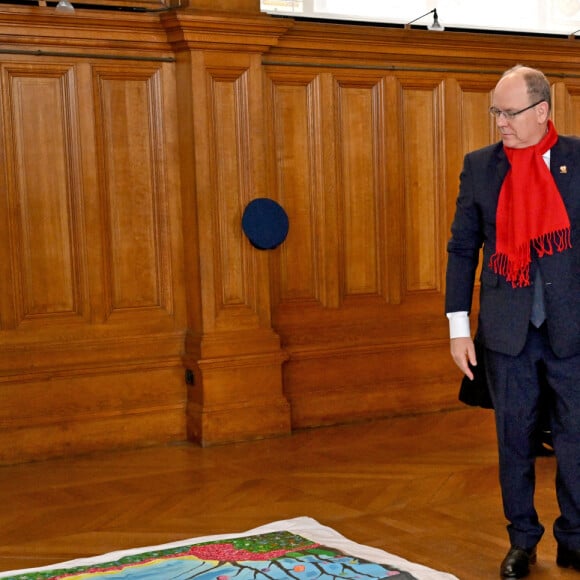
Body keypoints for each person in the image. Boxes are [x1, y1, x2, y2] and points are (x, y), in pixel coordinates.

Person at [446, 64, 580, 579]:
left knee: (575, 438)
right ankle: (522, 539)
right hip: (508, 331)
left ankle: (575, 538)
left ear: (542, 111)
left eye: (509, 112)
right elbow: (463, 248)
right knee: (514, 439)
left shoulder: (575, 160)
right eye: (495, 112)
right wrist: (459, 327)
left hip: (571, 330)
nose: (499, 122)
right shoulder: (481, 167)